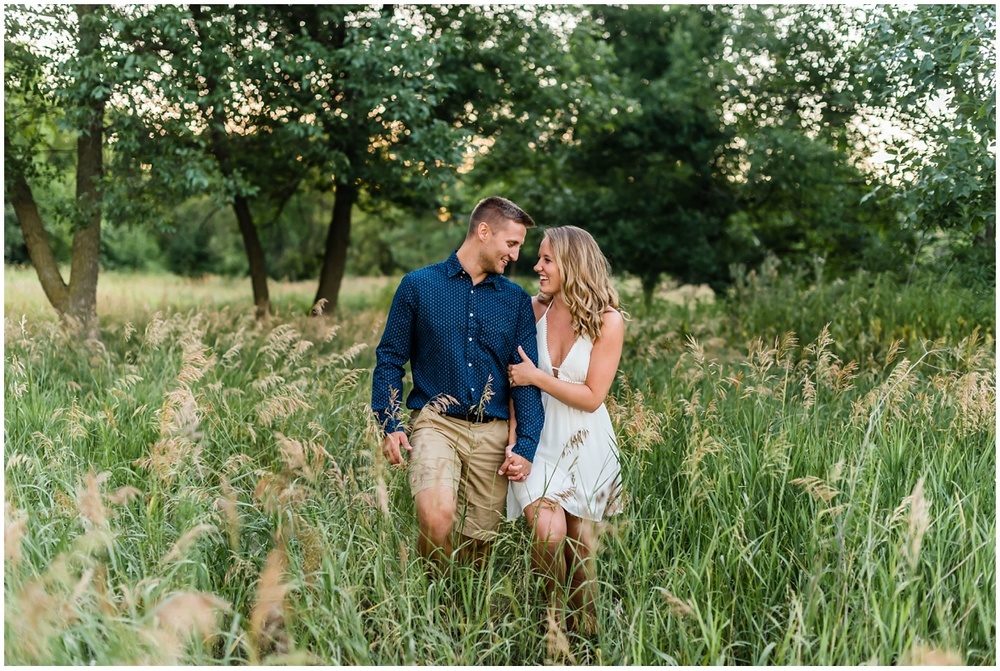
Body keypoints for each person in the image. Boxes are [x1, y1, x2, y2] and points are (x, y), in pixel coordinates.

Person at [371, 196, 544, 568]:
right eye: (511, 244)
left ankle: (456, 615)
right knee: (437, 518)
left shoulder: (515, 301)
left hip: (493, 436)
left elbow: (525, 378)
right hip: (436, 423)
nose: (515, 256)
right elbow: (389, 359)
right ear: (484, 231)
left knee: (476, 553)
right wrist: (390, 423)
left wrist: (525, 445)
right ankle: (430, 608)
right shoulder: (418, 286)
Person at [506, 225, 626, 633]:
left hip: (587, 441)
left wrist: (536, 377)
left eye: (546, 260)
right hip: (538, 440)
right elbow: (511, 382)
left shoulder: (607, 321)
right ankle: (551, 621)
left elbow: (593, 396)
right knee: (548, 534)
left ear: (572, 264)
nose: (536, 266)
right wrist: (513, 444)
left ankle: (584, 633)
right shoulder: (533, 311)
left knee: (582, 551)